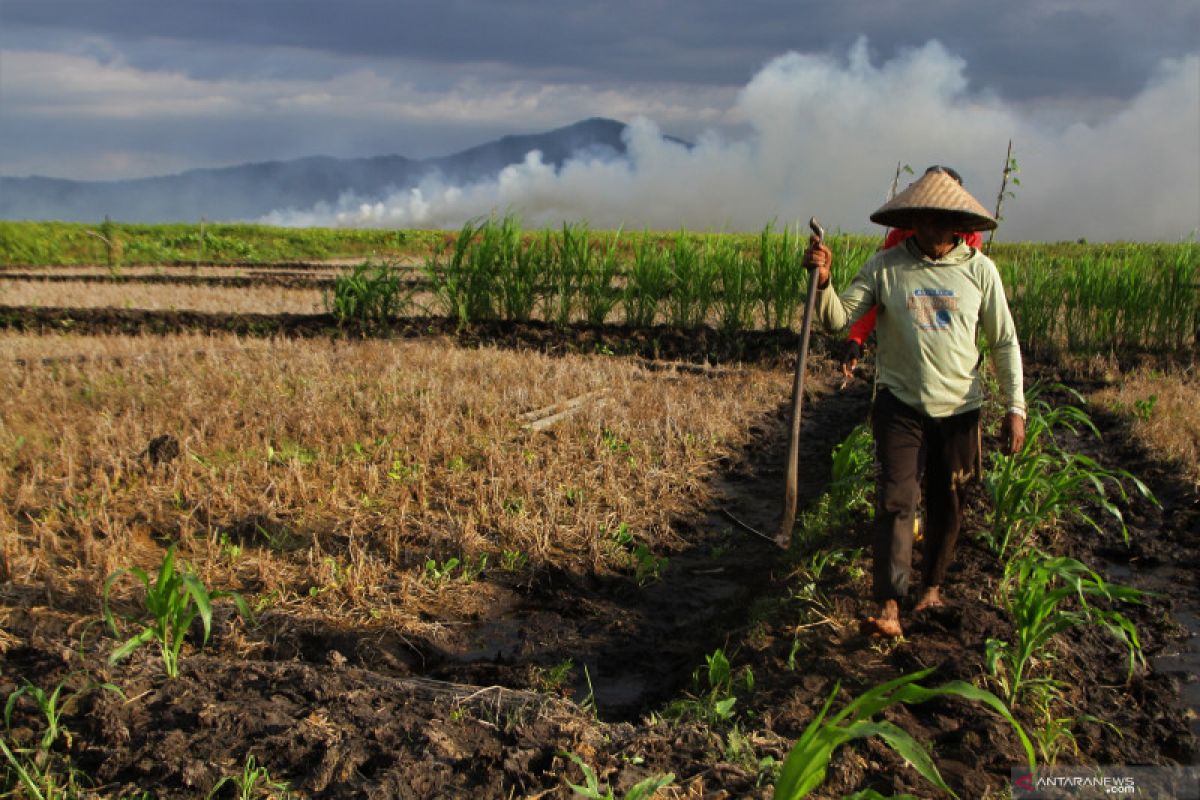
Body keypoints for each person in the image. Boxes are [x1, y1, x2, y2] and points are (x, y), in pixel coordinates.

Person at [803, 166, 1026, 638]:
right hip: (900, 404)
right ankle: (889, 604)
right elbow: (839, 317)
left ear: (961, 223)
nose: (935, 229)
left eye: (945, 219)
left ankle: (932, 587)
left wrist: (1015, 408)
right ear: (912, 219)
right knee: (895, 501)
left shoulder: (979, 271)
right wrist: (823, 282)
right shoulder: (886, 266)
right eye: (925, 218)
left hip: (961, 409)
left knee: (949, 501)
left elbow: (1003, 342)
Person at [841, 167, 984, 382]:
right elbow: (877, 291)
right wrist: (857, 338)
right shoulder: (899, 239)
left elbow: (966, 299)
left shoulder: (969, 242)